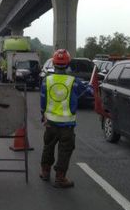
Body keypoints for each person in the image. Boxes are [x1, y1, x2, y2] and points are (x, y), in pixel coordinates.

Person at [39, 49, 93, 188]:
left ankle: (45, 172)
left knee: (48, 147)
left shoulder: (47, 80)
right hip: (67, 125)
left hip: (50, 123)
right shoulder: (73, 81)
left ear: (53, 63)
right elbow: (87, 92)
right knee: (64, 151)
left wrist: (43, 114)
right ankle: (60, 178)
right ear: (68, 64)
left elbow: (43, 101)